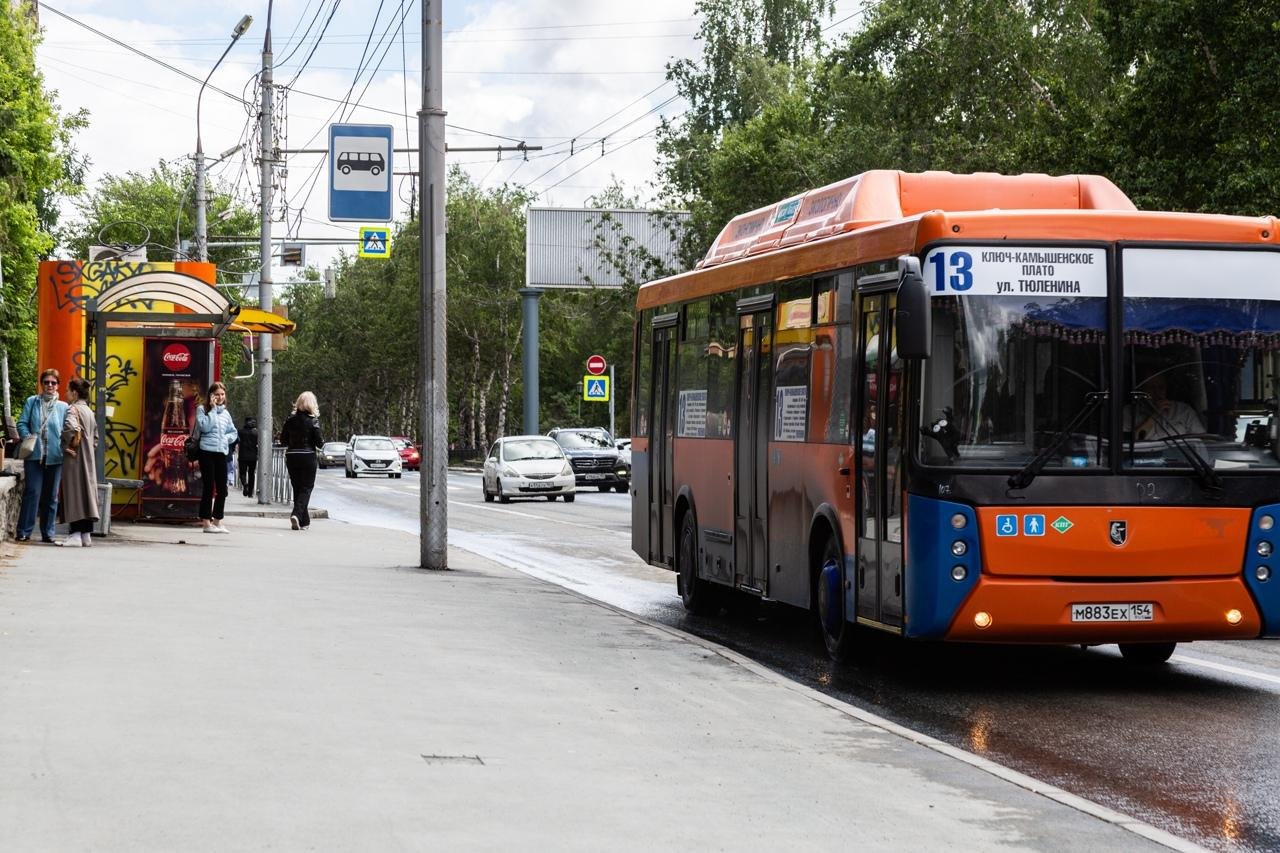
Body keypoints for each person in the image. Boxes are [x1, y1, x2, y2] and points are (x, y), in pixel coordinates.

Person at [15, 368, 68, 543]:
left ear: (58, 385)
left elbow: (67, 430)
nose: (50, 385)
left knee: (51, 496)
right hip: (34, 455)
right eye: (46, 382)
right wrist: (27, 436)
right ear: (42, 384)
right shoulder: (32, 401)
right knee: (32, 492)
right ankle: (24, 531)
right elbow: (22, 422)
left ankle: (48, 533)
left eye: (53, 382)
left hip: (55, 456)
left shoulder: (63, 407)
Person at [57, 377, 99, 547]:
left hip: (74, 458)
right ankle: (85, 534)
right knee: (86, 494)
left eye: (68, 390)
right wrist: (88, 448)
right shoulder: (89, 411)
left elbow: (70, 428)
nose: (66, 393)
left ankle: (75, 534)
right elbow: (95, 438)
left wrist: (65, 445)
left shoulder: (72, 409)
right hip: (88, 458)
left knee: (74, 493)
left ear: (74, 393)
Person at [195, 381, 238, 534]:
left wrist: (226, 439)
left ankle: (217, 521)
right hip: (206, 452)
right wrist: (213, 410)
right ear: (211, 395)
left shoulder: (226, 413)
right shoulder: (202, 409)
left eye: (222, 394)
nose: (220, 397)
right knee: (208, 487)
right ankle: (206, 523)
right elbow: (204, 427)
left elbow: (234, 433)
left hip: (221, 452)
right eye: (217, 394)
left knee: (222, 489)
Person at [279, 391, 323, 531]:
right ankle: (296, 514)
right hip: (308, 456)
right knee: (306, 488)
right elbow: (320, 443)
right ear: (312, 404)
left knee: (297, 487)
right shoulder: (313, 421)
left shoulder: (289, 420)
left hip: (292, 456)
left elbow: (283, 440)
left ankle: (304, 522)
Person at [1127, 373, 1206, 440]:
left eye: (1161, 388)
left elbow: (1203, 440)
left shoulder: (1184, 411)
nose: (1157, 392)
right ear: (1142, 390)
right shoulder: (1129, 412)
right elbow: (1132, 441)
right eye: (1151, 388)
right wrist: (1156, 414)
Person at [237, 416, 259, 497]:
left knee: (242, 473)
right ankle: (250, 493)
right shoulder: (256, 432)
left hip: (243, 455)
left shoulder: (240, 431)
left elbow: (236, 441)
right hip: (253, 456)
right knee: (251, 474)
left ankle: (245, 485)